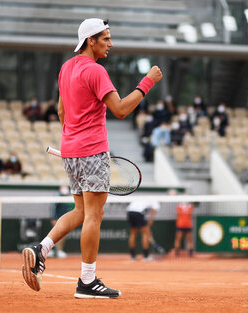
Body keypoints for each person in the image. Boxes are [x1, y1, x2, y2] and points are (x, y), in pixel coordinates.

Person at [21, 18, 162, 299]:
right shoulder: (96, 72)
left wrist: (72, 139)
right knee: (94, 215)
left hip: (71, 151)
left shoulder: (66, 68)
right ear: (91, 41)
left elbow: (62, 111)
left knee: (81, 211)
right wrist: (148, 82)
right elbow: (121, 109)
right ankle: (87, 281)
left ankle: (42, 249)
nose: (111, 43)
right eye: (106, 38)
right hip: (92, 150)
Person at [49, 185, 74, 258]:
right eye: (63, 187)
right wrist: (53, 218)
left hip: (65, 220)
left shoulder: (69, 197)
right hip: (57, 219)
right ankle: (51, 250)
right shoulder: (57, 197)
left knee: (62, 235)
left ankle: (59, 250)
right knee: (54, 235)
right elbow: (53, 208)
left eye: (65, 187)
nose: (64, 189)